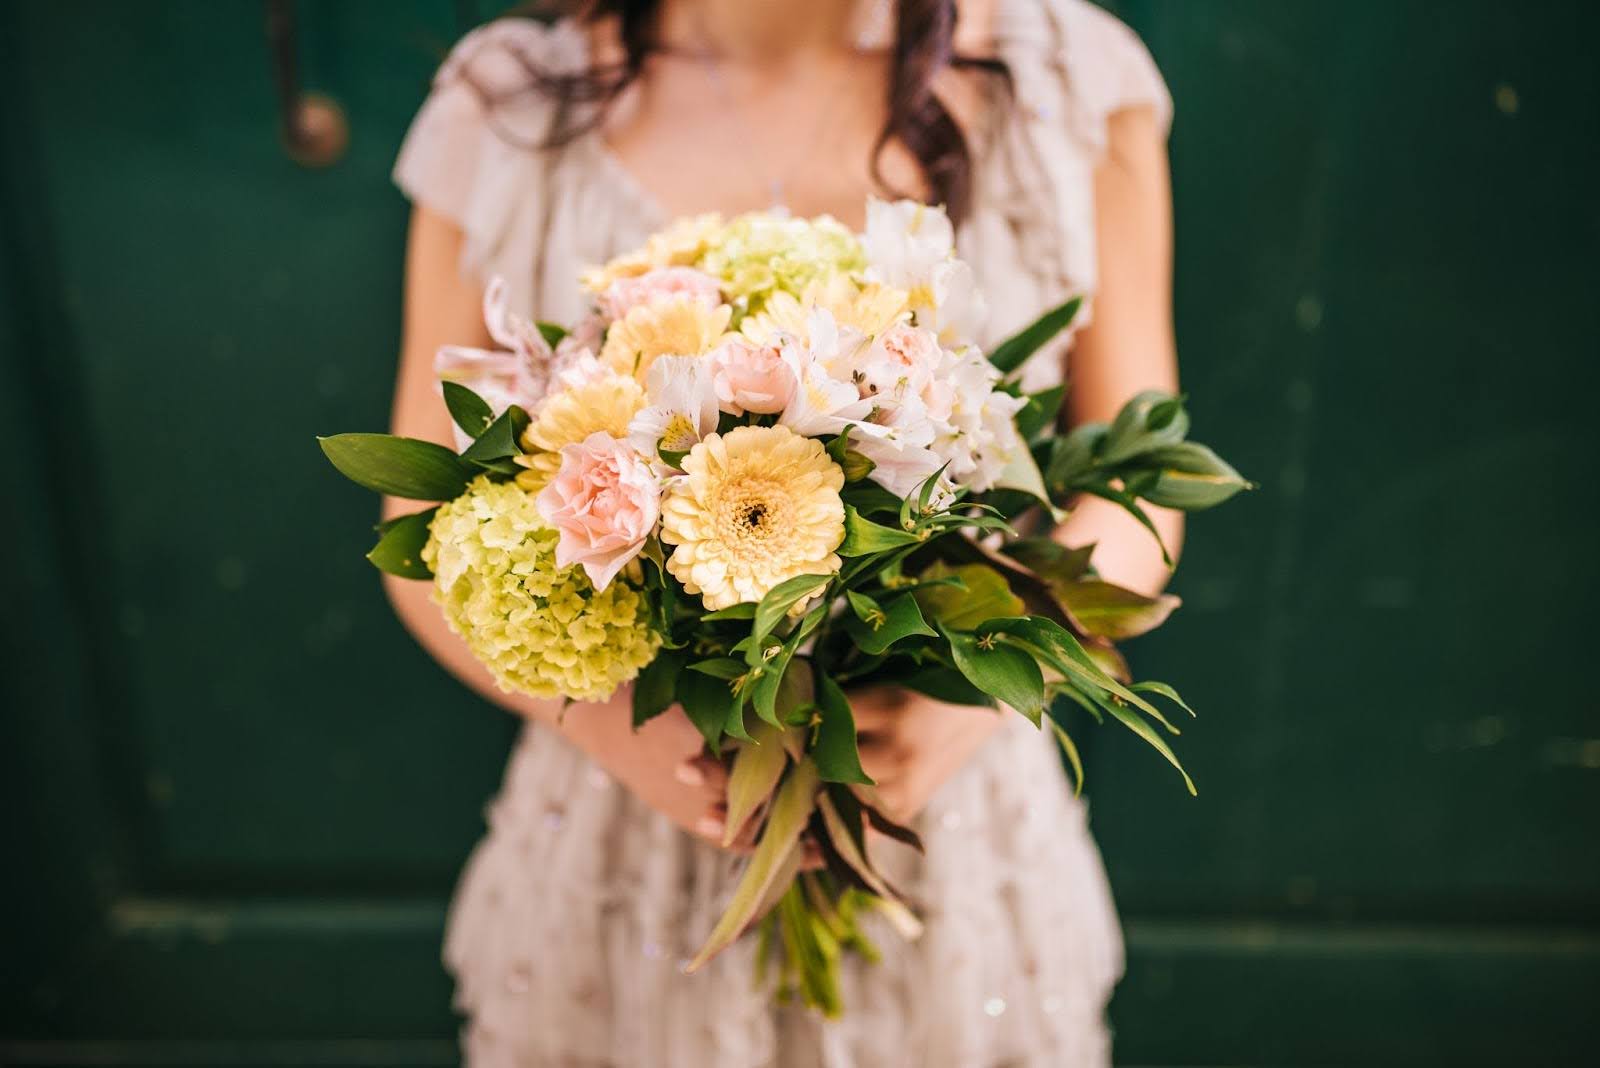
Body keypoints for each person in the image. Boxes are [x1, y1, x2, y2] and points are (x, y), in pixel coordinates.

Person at [384, 0, 1180, 1063]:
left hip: (947, 806)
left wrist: (980, 697)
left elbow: (1139, 492)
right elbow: (421, 535)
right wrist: (636, 743)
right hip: (636, 815)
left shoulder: (1065, 81)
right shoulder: (507, 106)